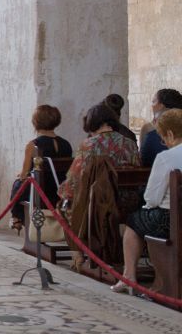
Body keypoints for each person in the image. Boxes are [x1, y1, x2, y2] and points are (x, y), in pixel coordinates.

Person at [112, 109, 182, 293]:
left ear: (170, 134)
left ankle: (129, 277)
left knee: (134, 221)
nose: (163, 142)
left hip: (171, 220)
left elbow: (152, 198)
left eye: (162, 137)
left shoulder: (166, 157)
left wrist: (147, 209)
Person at [7, 105, 73, 232]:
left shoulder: (33, 146)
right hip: (60, 190)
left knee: (18, 183)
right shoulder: (66, 144)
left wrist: (20, 176)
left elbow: (24, 174)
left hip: (40, 192)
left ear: (35, 122)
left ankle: (16, 218)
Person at [58, 104, 140, 205]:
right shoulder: (129, 143)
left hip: (97, 202)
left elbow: (73, 180)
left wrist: (64, 192)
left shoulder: (88, 145)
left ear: (91, 124)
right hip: (128, 201)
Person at [140, 88, 182, 168]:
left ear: (161, 106)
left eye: (154, 101)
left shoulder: (149, 130)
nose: (152, 105)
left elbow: (143, 159)